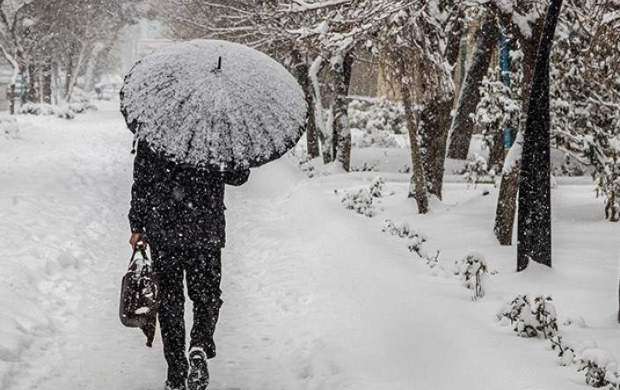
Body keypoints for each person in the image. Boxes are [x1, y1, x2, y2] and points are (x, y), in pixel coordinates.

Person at [128, 140, 250, 390]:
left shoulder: (156, 129)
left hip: (164, 228)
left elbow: (141, 181)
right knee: (207, 295)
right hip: (205, 229)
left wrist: (137, 225)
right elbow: (239, 176)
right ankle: (200, 345)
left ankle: (175, 373)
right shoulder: (218, 132)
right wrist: (231, 155)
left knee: (170, 301)